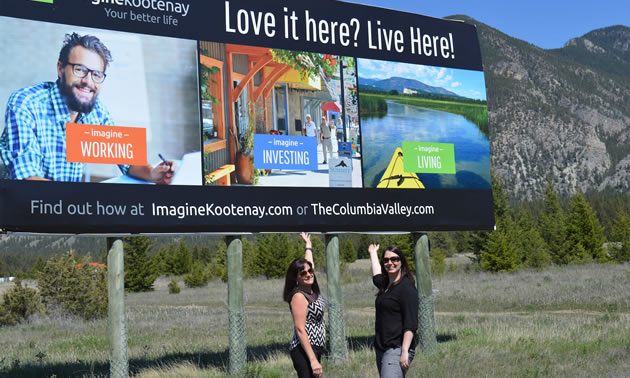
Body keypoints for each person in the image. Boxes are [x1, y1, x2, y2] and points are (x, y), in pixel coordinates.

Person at [0, 32, 174, 183]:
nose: (88, 82)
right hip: (25, 214)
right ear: (60, 69)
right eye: (80, 70)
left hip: (66, 212)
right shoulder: (25, 104)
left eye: (96, 74)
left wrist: (153, 173)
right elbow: (28, 178)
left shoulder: (97, 112)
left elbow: (128, 159)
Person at [369, 244, 418, 377]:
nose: (390, 263)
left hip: (396, 348)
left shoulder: (406, 288)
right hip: (381, 348)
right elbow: (376, 276)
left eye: (394, 259)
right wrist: (373, 253)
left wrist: (404, 351)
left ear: (401, 261)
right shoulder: (386, 284)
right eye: (386, 260)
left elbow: (411, 323)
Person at [283, 232, 326, 378]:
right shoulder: (299, 296)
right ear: (296, 278)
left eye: (310, 271)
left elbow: (308, 264)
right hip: (304, 349)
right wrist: (313, 360)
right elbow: (300, 329)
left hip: (315, 347)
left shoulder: (311, 289)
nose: (308, 274)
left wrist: (308, 246)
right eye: (303, 273)